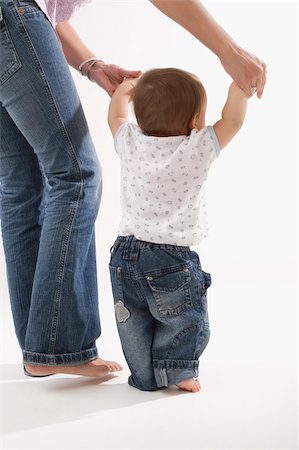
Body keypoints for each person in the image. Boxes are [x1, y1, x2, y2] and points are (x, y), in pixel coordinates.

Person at [0, 0, 265, 379]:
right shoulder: (198, 148)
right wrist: (230, 53)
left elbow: (51, 15)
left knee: (21, 186)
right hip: (12, 17)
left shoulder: (130, 140)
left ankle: (40, 347)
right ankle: (56, 346)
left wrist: (92, 66)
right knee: (75, 176)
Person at [107, 68, 249, 392]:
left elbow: (115, 115)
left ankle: (144, 377)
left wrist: (125, 89)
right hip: (170, 258)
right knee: (185, 317)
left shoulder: (130, 141)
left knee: (133, 321)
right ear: (194, 120)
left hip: (124, 255)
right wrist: (239, 86)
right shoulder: (195, 149)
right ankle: (179, 371)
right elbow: (233, 121)